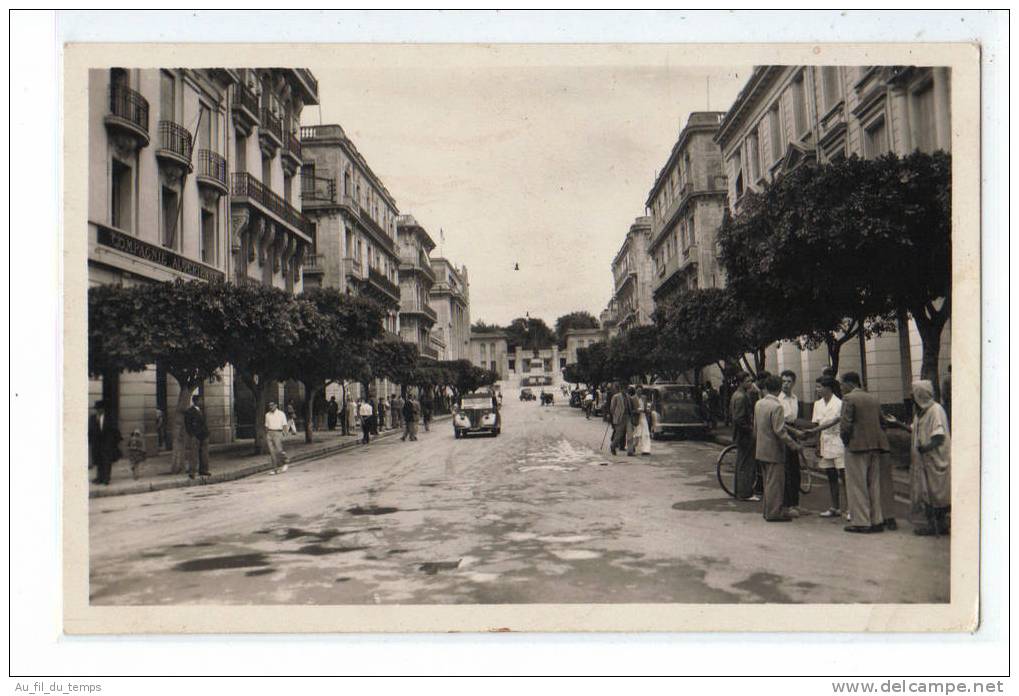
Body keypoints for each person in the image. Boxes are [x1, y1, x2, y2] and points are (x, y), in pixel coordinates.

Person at [886, 380, 951, 536]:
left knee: (937, 493)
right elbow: (913, 430)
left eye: (913, 392)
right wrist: (896, 423)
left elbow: (939, 437)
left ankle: (939, 524)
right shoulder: (921, 412)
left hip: (935, 460)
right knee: (925, 493)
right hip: (923, 461)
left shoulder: (936, 410)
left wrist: (925, 448)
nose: (910, 395)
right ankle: (932, 524)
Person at [839, 372, 891, 533]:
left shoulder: (848, 399)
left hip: (856, 446)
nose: (841, 388)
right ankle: (877, 519)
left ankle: (861, 521)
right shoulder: (873, 398)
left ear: (849, 384)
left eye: (842, 384)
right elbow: (883, 422)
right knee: (873, 484)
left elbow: (846, 425)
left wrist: (846, 441)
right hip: (876, 446)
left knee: (857, 485)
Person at [753, 374, 803, 521]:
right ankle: (774, 513)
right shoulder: (777, 406)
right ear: (779, 388)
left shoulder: (759, 404)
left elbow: (755, 428)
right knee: (775, 484)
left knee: (768, 482)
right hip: (774, 450)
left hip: (761, 449)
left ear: (766, 388)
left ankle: (768, 511)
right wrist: (794, 445)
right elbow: (780, 430)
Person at [809, 376, 846, 518]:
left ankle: (850, 509)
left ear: (828, 388)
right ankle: (834, 507)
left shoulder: (840, 403)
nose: (817, 390)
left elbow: (840, 423)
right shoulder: (817, 404)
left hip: (838, 440)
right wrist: (817, 445)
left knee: (844, 475)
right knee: (830, 476)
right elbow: (816, 425)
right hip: (824, 440)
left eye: (819, 387)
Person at [778, 370, 806, 517]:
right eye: (783, 381)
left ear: (794, 383)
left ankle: (795, 503)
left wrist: (799, 433)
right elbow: (780, 422)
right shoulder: (778, 399)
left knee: (795, 470)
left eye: (788, 381)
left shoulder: (795, 398)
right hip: (783, 433)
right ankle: (787, 505)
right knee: (786, 470)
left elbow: (795, 419)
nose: (785, 385)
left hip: (794, 432)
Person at [730, 372, 759, 501]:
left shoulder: (736, 395)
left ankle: (740, 491)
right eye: (748, 381)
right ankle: (745, 493)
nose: (750, 383)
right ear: (741, 382)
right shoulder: (742, 397)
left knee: (741, 463)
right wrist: (751, 429)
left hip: (740, 434)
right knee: (747, 464)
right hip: (745, 435)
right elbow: (739, 419)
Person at [88, 400, 121, 485]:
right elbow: (90, 431)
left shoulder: (110, 418)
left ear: (103, 409)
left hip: (107, 445)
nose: (98, 411)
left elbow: (115, 431)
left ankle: (106, 479)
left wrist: (113, 443)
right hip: (97, 444)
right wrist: (91, 441)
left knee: (107, 461)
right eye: (97, 409)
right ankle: (99, 478)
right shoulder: (92, 418)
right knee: (99, 461)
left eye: (100, 409)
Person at [183, 394, 211, 479]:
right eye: (200, 400)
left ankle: (204, 470)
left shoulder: (202, 410)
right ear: (195, 401)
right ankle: (192, 472)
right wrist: (192, 434)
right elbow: (187, 425)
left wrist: (207, 433)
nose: (201, 402)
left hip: (204, 435)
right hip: (195, 435)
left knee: (204, 453)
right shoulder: (189, 411)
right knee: (194, 454)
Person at [265, 401, 289, 475]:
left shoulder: (281, 414)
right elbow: (266, 425)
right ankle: (275, 469)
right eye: (269, 405)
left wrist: (285, 434)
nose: (271, 407)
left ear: (276, 405)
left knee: (279, 450)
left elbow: (284, 424)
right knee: (272, 452)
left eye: (272, 405)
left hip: (278, 432)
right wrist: (267, 433)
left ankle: (285, 461)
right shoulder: (267, 415)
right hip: (269, 433)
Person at [609, 384, 628, 456]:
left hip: (626, 417)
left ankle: (621, 446)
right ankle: (613, 446)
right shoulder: (616, 396)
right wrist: (615, 415)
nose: (625, 390)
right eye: (624, 389)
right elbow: (612, 408)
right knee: (618, 434)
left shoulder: (627, 396)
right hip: (619, 418)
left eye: (626, 389)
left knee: (623, 434)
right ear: (621, 389)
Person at [636, 389, 652, 456]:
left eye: (640, 390)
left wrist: (647, 410)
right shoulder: (633, 398)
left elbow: (646, 408)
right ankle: (636, 448)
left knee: (645, 433)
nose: (639, 392)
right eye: (638, 390)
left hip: (643, 416)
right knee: (637, 433)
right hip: (636, 418)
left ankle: (646, 449)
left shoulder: (644, 398)